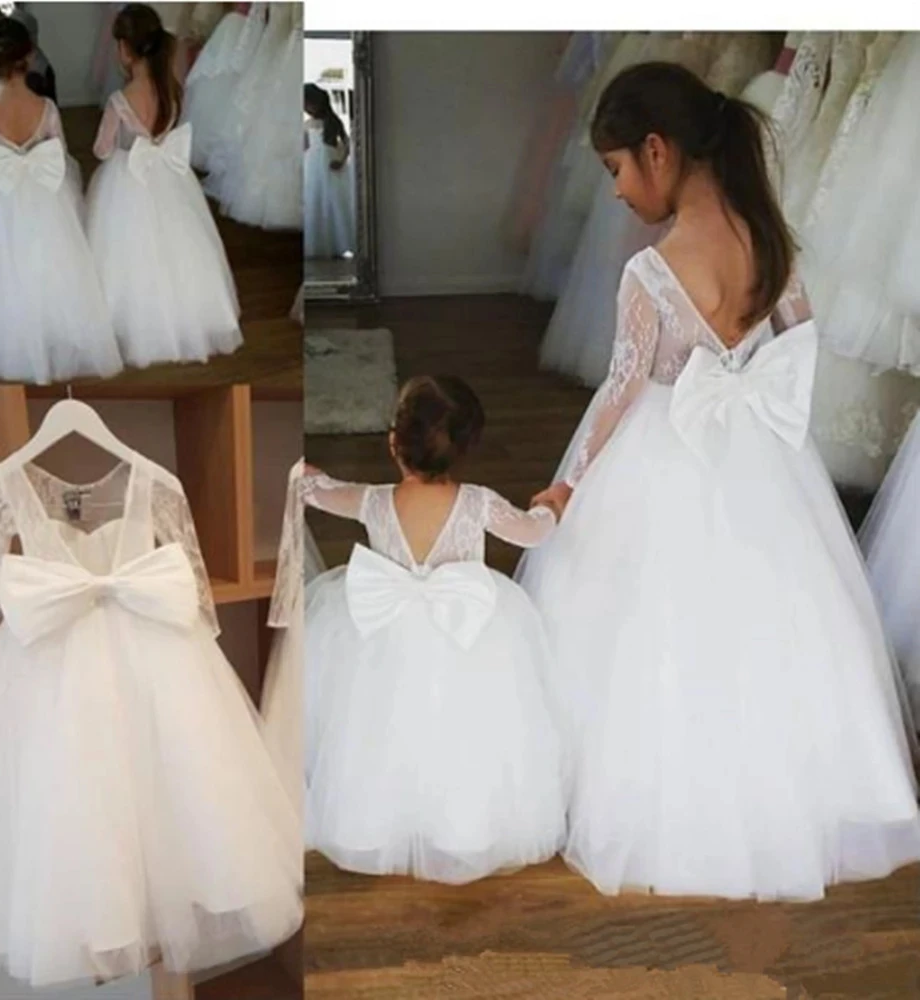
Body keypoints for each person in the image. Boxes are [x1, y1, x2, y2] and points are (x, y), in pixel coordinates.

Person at [516, 61, 920, 901]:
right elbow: (800, 337)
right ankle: (802, 789)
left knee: (642, 620)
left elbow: (620, 391)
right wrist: (748, 376)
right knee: (780, 616)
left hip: (666, 443)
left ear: (657, 152)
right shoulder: (770, 244)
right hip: (763, 460)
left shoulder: (651, 272)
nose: (617, 190)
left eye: (617, 169)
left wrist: (568, 487)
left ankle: (649, 797)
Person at [302, 376, 568, 884]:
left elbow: (317, 493)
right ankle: (464, 826)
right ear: (467, 448)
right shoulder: (479, 502)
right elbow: (533, 533)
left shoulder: (372, 500)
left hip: (384, 642)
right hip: (467, 638)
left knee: (381, 728)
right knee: (468, 733)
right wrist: (551, 505)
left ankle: (377, 820)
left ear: (393, 443)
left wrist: (307, 476)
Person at [0, 17, 121, 383]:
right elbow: (61, 162)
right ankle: (49, 329)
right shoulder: (47, 109)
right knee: (48, 265)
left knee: (1, 270)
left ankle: (11, 335)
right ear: (30, 55)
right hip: (45, 202)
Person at [86, 3, 241, 368]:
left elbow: (102, 149)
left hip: (128, 181)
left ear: (124, 49)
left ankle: (133, 323)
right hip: (171, 181)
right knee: (180, 249)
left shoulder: (119, 101)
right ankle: (186, 317)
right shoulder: (173, 90)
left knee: (129, 254)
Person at [303, 82, 354, 259]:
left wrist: (341, 160)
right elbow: (304, 146)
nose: (307, 108)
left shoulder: (333, 121)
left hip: (330, 166)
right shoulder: (307, 124)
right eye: (305, 105)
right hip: (313, 167)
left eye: (309, 104)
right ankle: (318, 244)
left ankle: (338, 243)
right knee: (315, 201)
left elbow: (347, 143)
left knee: (334, 203)